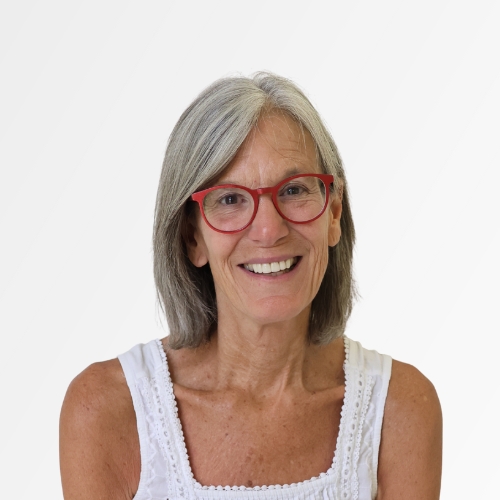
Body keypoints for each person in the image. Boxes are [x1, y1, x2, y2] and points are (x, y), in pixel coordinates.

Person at [59, 73, 442, 499]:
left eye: (293, 190)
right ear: (192, 237)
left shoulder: (399, 409)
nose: (268, 230)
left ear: (333, 214)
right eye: (230, 199)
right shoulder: (109, 410)